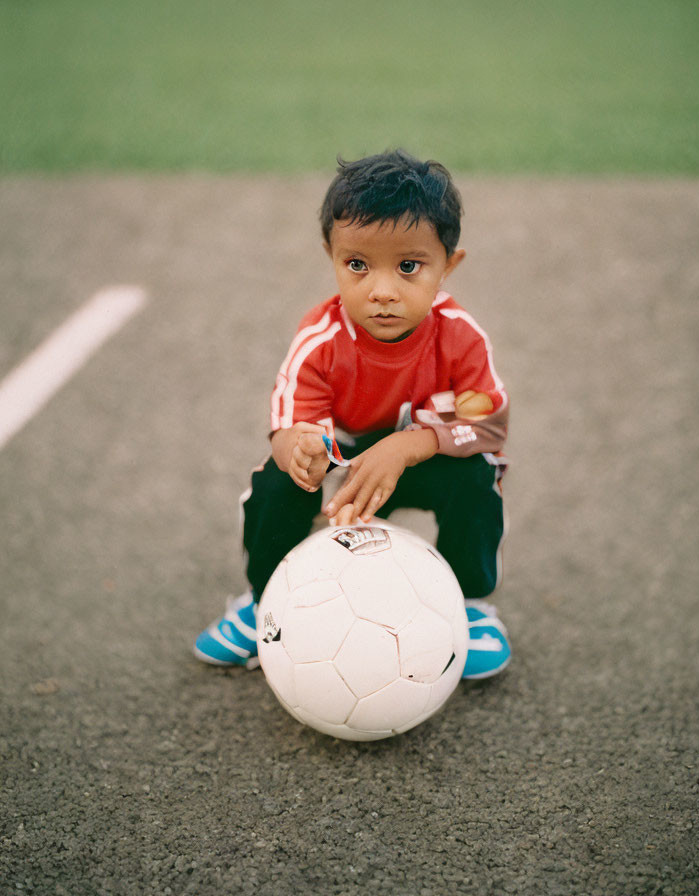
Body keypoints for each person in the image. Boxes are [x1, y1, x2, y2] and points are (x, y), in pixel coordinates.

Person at [194, 149, 511, 680]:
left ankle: (471, 602)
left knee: (478, 477)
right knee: (275, 484)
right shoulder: (319, 341)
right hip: (345, 466)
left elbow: (488, 420)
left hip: (422, 458)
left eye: (409, 266)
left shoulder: (460, 336)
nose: (381, 290)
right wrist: (301, 451)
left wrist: (408, 445)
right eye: (357, 265)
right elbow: (289, 425)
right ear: (332, 255)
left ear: (448, 266)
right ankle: (264, 600)